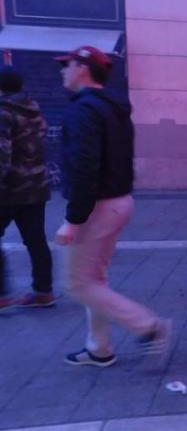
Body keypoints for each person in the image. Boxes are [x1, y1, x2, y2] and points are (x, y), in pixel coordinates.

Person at [56, 46, 171, 367]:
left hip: (98, 207)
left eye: (66, 65)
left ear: (83, 68)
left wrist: (73, 219)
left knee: (76, 283)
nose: (62, 71)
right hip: (119, 201)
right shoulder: (112, 108)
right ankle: (99, 348)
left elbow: (85, 166)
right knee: (93, 279)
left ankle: (149, 326)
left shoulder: (84, 111)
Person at [0, 65, 53, 311]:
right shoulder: (34, 110)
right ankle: (44, 292)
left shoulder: (3, 112)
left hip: (9, 189)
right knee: (36, 241)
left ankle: (2, 296)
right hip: (36, 185)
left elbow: (2, 153)